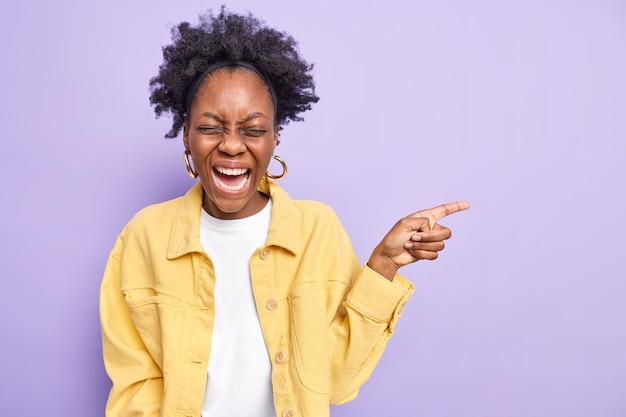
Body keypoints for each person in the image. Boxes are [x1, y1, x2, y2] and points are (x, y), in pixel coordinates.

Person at [99, 7, 469, 417]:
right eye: (210, 127)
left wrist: (382, 266)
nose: (232, 146)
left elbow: (337, 382)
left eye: (254, 129)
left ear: (276, 137)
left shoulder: (317, 229)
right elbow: (135, 388)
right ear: (186, 135)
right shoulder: (145, 235)